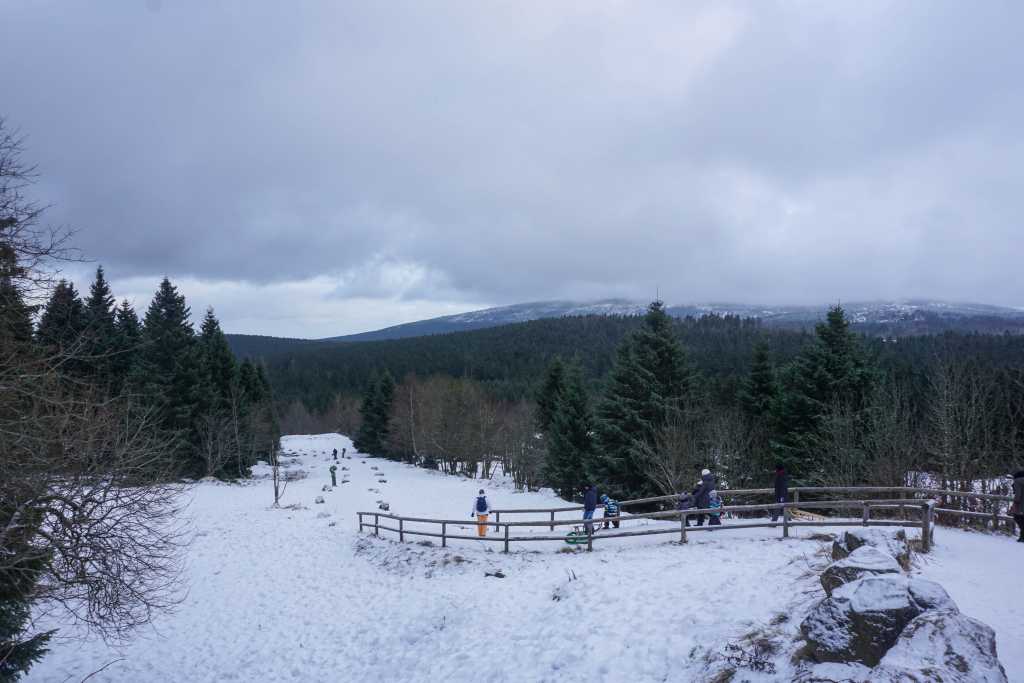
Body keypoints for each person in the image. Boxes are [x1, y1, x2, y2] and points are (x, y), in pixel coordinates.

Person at [1011, 470, 1024, 543]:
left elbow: (1018, 494)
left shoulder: (1017, 481)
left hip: (1021, 504)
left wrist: (1015, 503)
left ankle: (1022, 537)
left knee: (1018, 517)